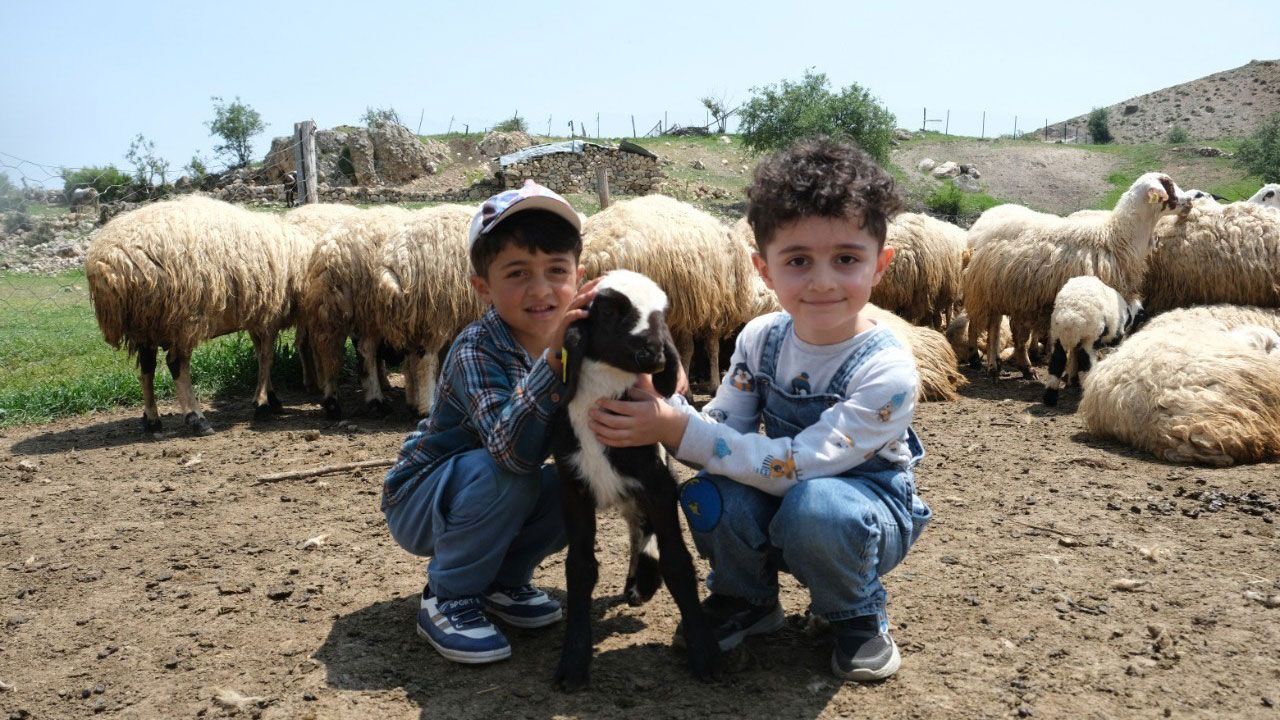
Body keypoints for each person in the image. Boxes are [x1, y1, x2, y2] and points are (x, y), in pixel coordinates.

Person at [588, 138, 932, 682]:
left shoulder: (886, 370)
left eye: (845, 258)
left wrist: (678, 428)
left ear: (880, 265)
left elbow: (804, 464)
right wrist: (663, 402)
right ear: (764, 269)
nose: (821, 280)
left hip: (861, 511)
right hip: (789, 497)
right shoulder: (760, 339)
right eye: (798, 261)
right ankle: (744, 597)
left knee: (816, 506)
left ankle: (856, 610)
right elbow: (723, 429)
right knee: (707, 492)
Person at [381, 180, 599, 665]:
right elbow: (508, 449)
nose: (541, 289)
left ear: (579, 277)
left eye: (556, 271)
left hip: (493, 488)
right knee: (507, 474)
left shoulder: (584, 336)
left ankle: (503, 581)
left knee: (579, 479)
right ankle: (448, 596)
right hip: (422, 496)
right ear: (484, 286)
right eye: (518, 273)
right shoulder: (477, 347)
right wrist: (554, 361)